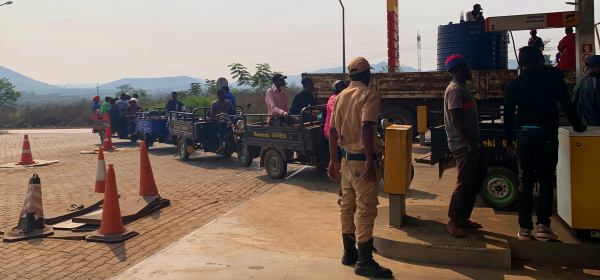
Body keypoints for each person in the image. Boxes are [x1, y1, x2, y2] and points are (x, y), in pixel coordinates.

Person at [504, 46, 586, 241]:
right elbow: (567, 103)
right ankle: (543, 226)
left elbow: (508, 116)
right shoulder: (553, 77)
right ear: (540, 59)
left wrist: (509, 140)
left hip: (524, 135)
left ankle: (524, 228)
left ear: (521, 63)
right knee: (546, 179)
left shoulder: (515, 84)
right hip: (546, 135)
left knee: (525, 180)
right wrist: (579, 127)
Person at [327, 57, 393, 278]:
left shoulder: (340, 97)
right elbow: (367, 128)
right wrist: (368, 161)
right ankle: (364, 261)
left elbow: (333, 132)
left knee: (347, 205)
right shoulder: (369, 95)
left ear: (350, 76)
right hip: (360, 161)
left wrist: (333, 161)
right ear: (367, 75)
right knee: (366, 209)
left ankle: (349, 253)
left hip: (345, 160)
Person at [443, 54, 486, 238]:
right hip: (462, 145)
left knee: (474, 181)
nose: (469, 70)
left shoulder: (462, 88)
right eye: (465, 67)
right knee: (464, 182)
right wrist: (467, 143)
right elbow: (456, 118)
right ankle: (453, 221)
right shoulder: (454, 90)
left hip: (470, 143)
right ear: (457, 70)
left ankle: (464, 218)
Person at [573, 55, 600, 126]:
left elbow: (574, 101)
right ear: (596, 66)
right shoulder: (596, 83)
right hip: (596, 123)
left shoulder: (582, 82)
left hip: (585, 122)